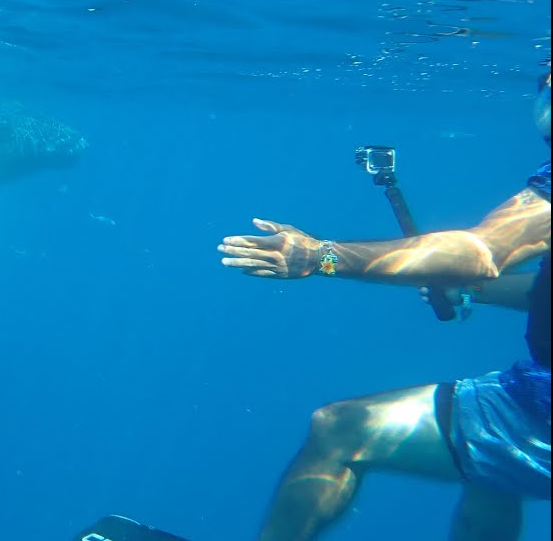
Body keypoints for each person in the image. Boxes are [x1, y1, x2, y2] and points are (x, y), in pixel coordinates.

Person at [216, 63, 551, 541]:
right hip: (535, 399)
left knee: (340, 430)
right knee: (491, 476)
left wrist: (322, 257)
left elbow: (479, 253)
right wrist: (471, 290)